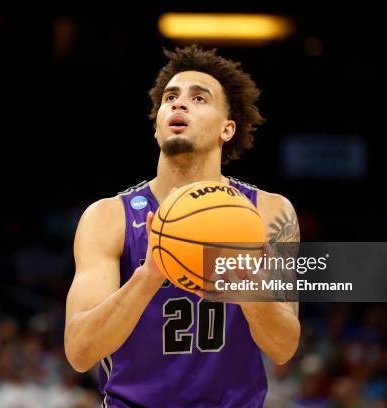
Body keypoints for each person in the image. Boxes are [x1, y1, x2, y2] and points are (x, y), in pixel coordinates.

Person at [65, 45, 300, 407]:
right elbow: (80, 352)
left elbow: (284, 348)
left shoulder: (271, 213)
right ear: (157, 127)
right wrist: (148, 276)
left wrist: (253, 295)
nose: (178, 104)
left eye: (199, 98)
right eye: (170, 97)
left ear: (227, 129)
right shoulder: (108, 217)